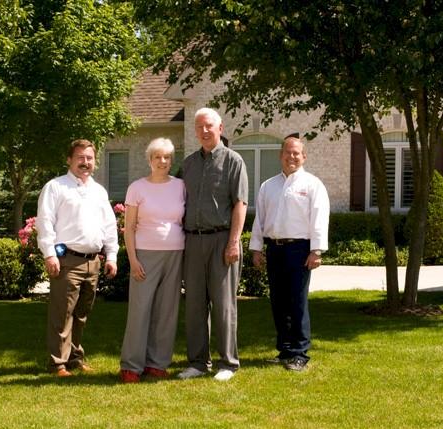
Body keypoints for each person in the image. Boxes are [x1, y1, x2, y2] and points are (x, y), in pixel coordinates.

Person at [36, 139, 118, 377]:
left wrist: (111, 256)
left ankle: (74, 358)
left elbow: (109, 226)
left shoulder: (98, 191)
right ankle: (57, 363)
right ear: (69, 160)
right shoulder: (56, 187)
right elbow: (45, 222)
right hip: (67, 261)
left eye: (89, 158)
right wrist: (49, 254)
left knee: (81, 314)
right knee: (62, 314)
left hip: (93, 261)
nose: (85, 162)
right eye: (80, 157)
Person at [178, 107, 248, 382]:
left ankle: (228, 363)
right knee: (194, 304)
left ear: (220, 128)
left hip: (222, 240)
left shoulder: (233, 161)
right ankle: (197, 362)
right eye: (199, 127)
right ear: (195, 132)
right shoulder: (188, 165)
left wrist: (233, 243)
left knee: (223, 304)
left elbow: (240, 204)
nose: (204, 131)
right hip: (193, 241)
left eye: (209, 126)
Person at [249, 136, 329, 371]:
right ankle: (284, 349)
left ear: (304, 156)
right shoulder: (268, 186)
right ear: (280, 155)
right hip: (275, 249)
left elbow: (320, 218)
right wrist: (256, 248)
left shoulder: (313, 185)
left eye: (296, 153)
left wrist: (316, 250)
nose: (291, 156)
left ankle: (299, 353)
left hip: (300, 250)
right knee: (279, 302)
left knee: (297, 302)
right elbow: (260, 219)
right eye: (287, 152)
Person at [118, 138, 186, 383]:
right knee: (140, 310)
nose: (163, 161)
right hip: (145, 254)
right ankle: (131, 366)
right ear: (149, 160)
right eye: (157, 157)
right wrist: (133, 260)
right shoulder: (137, 187)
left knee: (167, 311)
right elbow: (129, 227)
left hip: (176, 253)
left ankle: (157, 364)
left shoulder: (180, 186)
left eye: (167, 157)